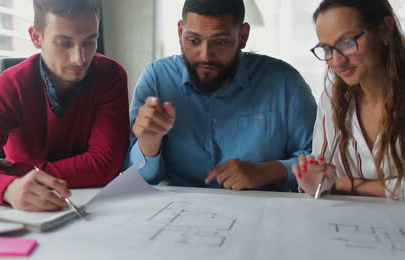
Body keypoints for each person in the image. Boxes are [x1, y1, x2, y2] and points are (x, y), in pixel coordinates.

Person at [0, 0, 130, 211]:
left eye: (89, 42)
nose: (80, 59)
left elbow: (104, 166)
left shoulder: (110, 76)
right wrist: (8, 188)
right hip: (22, 206)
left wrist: (15, 172)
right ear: (36, 37)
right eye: (65, 43)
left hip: (92, 204)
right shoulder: (11, 84)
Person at [126, 0, 317, 192]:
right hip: (175, 213)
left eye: (221, 42)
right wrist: (149, 143)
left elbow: (318, 159)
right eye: (193, 41)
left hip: (262, 213)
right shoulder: (157, 79)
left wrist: (267, 171)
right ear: (180, 32)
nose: (205, 55)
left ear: (243, 36)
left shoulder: (284, 82)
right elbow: (136, 177)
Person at [292, 0, 405, 199]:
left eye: (346, 43)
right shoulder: (333, 98)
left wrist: (354, 186)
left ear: (385, 30)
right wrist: (320, 185)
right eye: (327, 48)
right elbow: (327, 177)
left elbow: (343, 184)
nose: (337, 61)